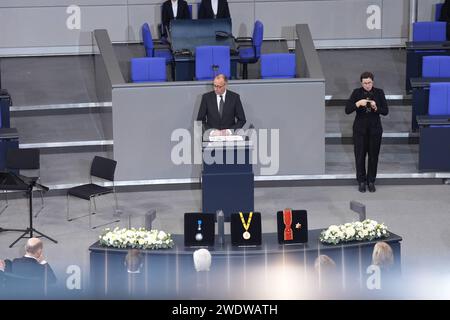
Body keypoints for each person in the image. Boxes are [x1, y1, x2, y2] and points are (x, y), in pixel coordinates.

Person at [345, 71, 388, 193]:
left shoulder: (379, 93)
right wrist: (358, 103)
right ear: (361, 83)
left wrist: (376, 107)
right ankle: (361, 181)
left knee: (373, 156)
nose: (367, 85)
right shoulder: (356, 93)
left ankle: (371, 181)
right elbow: (347, 110)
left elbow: (385, 111)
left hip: (375, 130)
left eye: (369, 82)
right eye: (365, 83)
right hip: (360, 130)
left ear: (372, 82)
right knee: (360, 156)